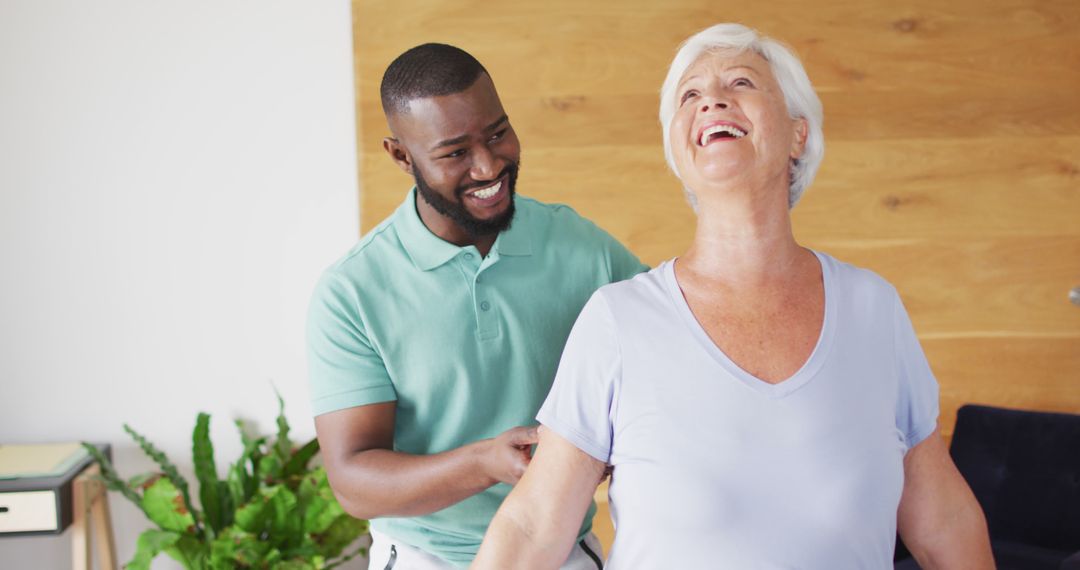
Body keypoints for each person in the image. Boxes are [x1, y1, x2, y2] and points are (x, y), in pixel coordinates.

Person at [473, 23, 994, 569]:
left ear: (799, 133)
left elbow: (944, 523)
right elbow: (533, 527)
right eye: (690, 95)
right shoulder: (618, 322)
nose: (712, 100)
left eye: (741, 81)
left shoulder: (873, 310)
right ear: (679, 146)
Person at [306, 43, 646, 569]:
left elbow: (669, 345)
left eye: (496, 134)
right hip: (425, 558)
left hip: (563, 553)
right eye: (455, 152)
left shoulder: (581, 247)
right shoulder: (352, 291)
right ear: (401, 155)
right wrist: (485, 462)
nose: (488, 166)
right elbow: (354, 483)